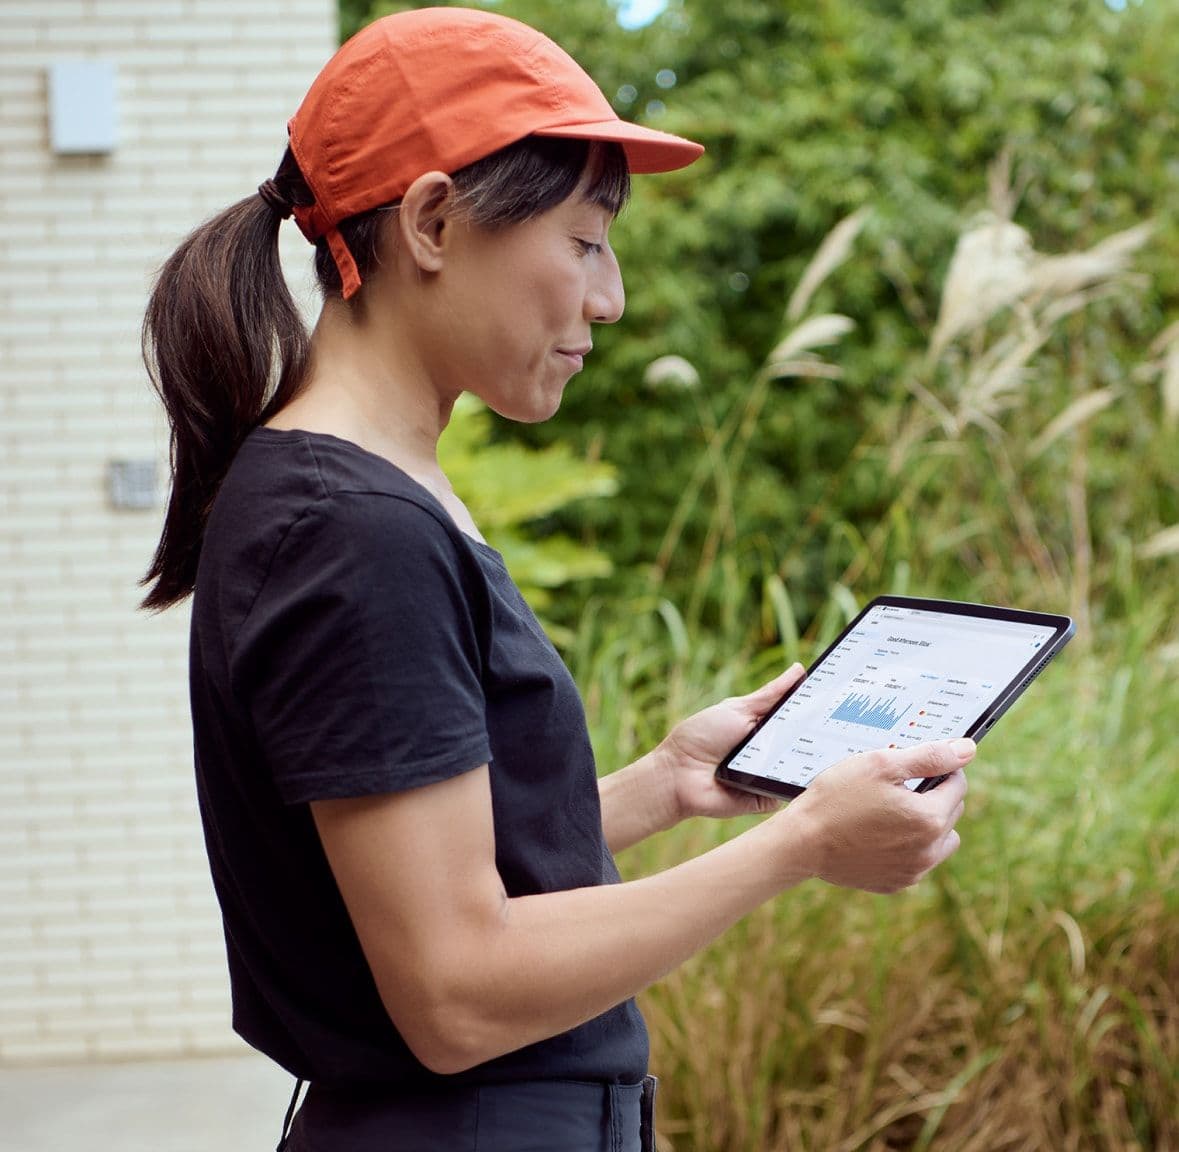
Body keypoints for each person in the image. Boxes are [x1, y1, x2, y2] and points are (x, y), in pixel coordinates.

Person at [140, 8, 971, 1151]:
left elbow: (437, 874)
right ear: (433, 221)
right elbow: (456, 990)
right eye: (584, 242)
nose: (610, 297)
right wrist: (800, 846)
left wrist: (669, 782)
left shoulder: (368, 494)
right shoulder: (353, 530)